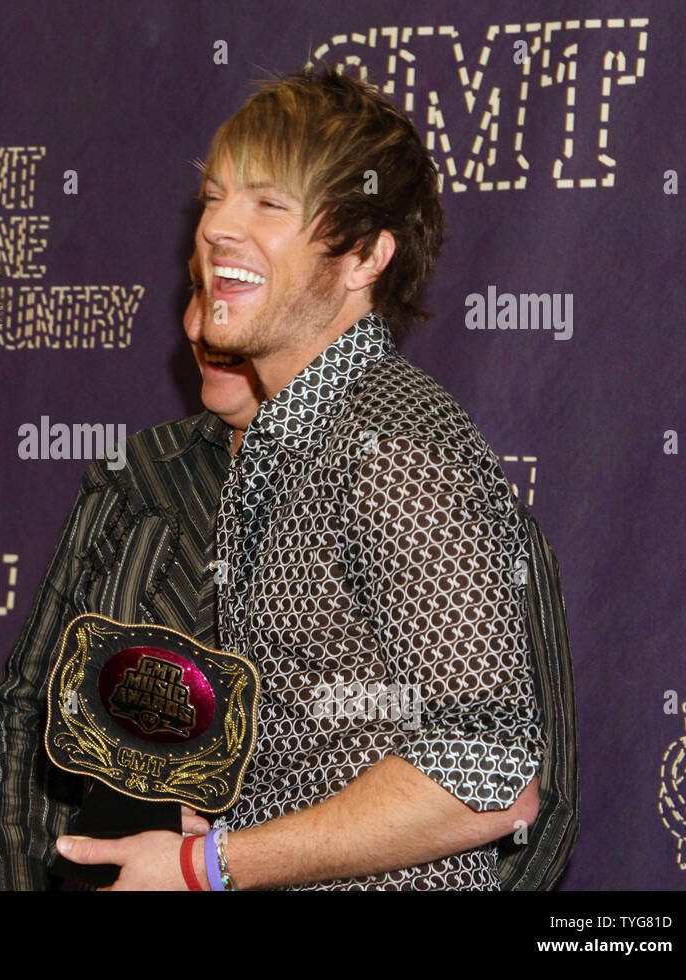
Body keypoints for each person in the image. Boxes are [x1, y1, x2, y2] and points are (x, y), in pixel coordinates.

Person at [55, 66, 546, 890]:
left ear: (363, 255)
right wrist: (231, 815)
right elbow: (345, 741)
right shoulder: (289, 440)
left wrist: (205, 864)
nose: (218, 229)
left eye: (269, 205)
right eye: (216, 197)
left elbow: (492, 776)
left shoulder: (389, 442)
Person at [0, 257, 263, 889]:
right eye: (197, 288)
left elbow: (497, 774)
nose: (200, 323)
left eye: (236, 289)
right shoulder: (137, 473)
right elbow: (28, 711)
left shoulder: (402, 485)